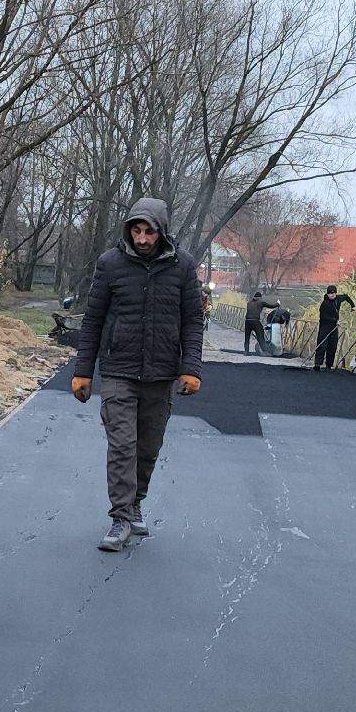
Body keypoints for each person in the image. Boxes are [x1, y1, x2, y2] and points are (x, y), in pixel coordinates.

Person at [69, 197, 205, 552]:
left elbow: (193, 320)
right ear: (128, 230)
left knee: (147, 448)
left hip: (161, 373)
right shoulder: (110, 264)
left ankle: (135, 503)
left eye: (149, 232)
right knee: (122, 446)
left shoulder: (182, 266)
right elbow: (93, 320)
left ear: (162, 232)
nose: (142, 238)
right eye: (136, 231)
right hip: (119, 370)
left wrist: (191, 368)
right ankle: (120, 518)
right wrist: (83, 372)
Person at [313, 284, 355, 371]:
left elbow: (346, 297)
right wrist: (334, 320)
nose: (331, 295)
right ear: (327, 294)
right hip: (325, 325)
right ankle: (317, 363)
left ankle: (329, 365)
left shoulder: (338, 299)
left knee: (332, 345)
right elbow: (323, 317)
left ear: (335, 293)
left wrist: (352, 306)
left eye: (333, 293)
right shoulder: (324, 304)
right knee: (322, 344)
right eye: (329, 293)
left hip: (334, 326)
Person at [243, 290, 272, 356]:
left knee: (247, 337)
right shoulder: (260, 302)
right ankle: (265, 351)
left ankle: (246, 351)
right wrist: (277, 304)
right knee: (260, 336)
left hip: (247, 321)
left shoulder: (249, 303)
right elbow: (270, 306)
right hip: (255, 321)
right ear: (259, 298)